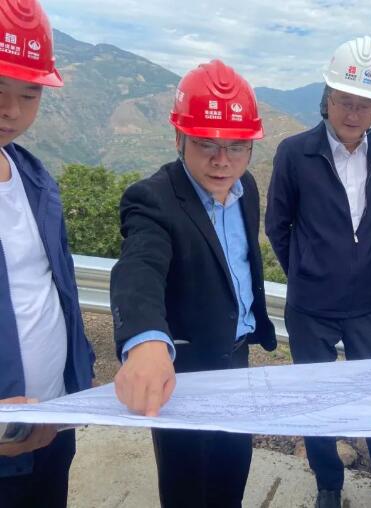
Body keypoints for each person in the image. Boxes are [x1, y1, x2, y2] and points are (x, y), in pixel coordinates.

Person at [266, 35, 371, 508]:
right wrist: (307, 269)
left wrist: (366, 261)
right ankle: (329, 483)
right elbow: (278, 224)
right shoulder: (294, 152)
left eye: (365, 104)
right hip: (310, 305)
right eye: (344, 100)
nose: (353, 113)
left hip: (366, 303)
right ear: (327, 97)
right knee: (316, 398)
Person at [110, 60, 276, 508]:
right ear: (179, 138)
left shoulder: (246, 188)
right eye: (206, 144)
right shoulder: (153, 199)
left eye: (236, 146)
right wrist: (145, 341)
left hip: (236, 357)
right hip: (182, 368)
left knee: (232, 466)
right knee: (186, 480)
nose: (222, 160)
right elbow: (139, 268)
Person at [0, 0, 95, 505]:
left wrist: (78, 375)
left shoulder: (32, 177)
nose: (10, 111)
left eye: (28, 93)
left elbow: (56, 293)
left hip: (53, 420)